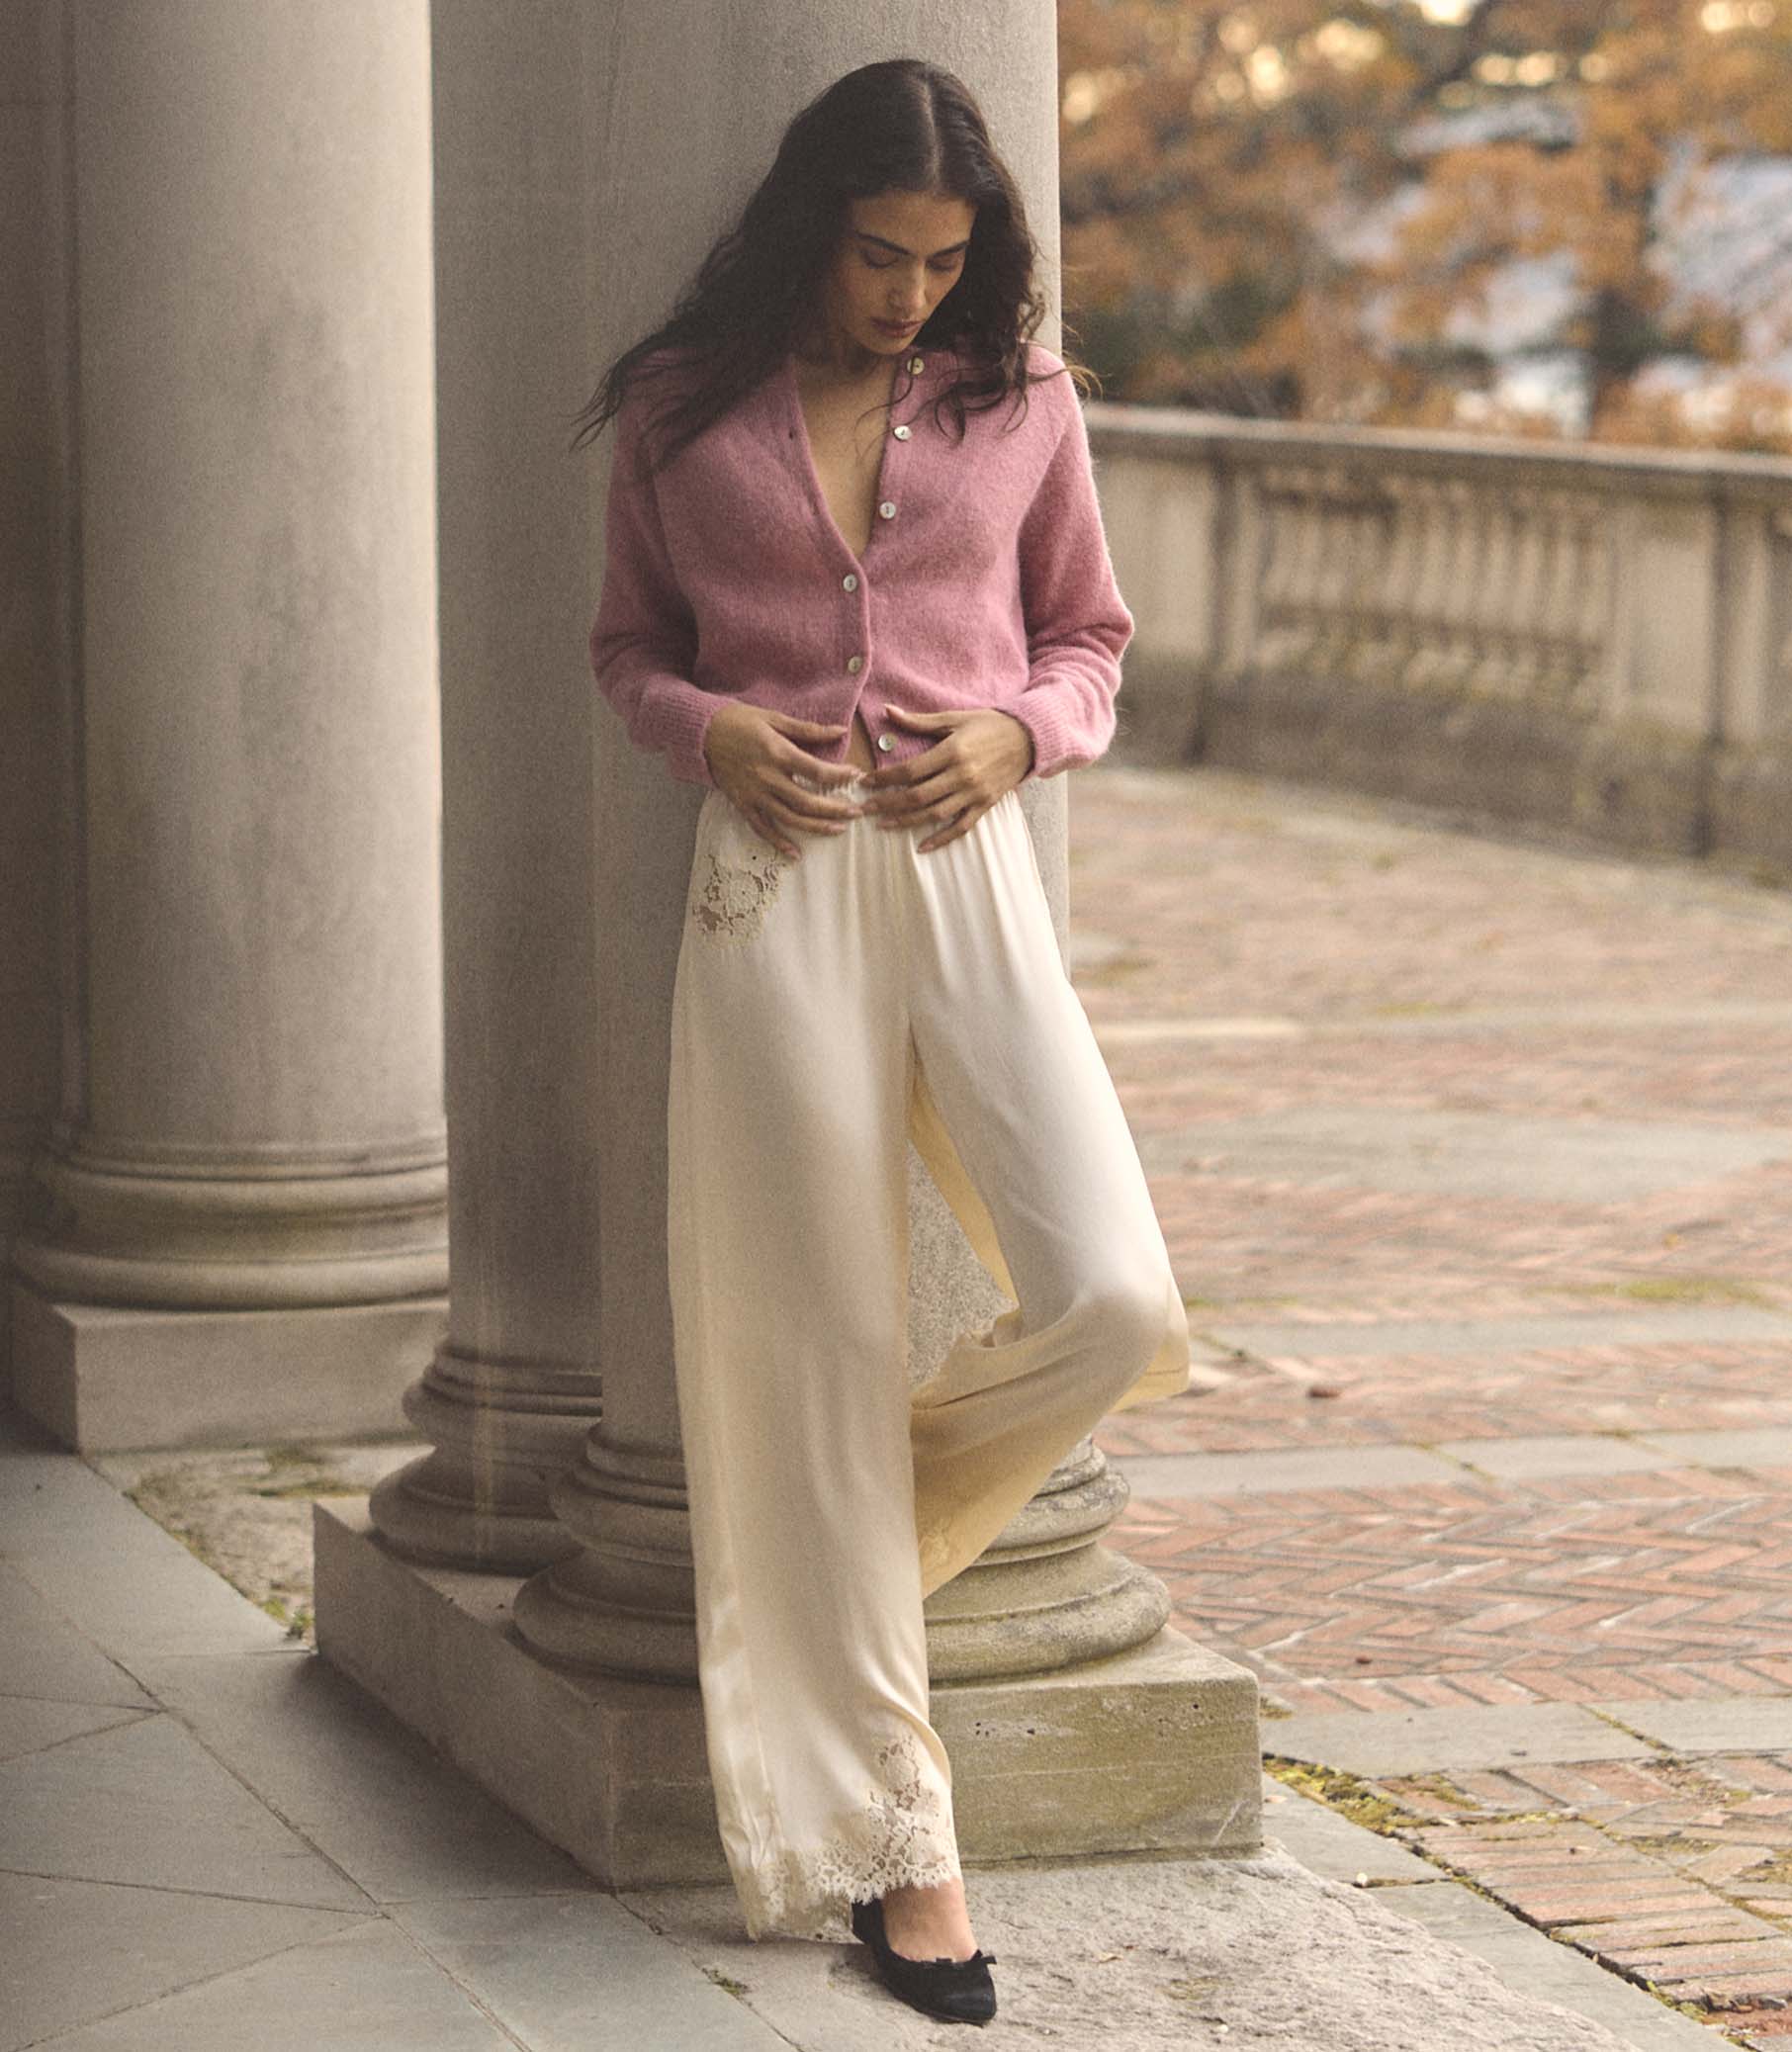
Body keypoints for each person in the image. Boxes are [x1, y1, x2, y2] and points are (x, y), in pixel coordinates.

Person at [573, 55, 1193, 2027]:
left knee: (1112, 1292)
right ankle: (904, 1858)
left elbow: (1088, 638)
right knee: (810, 1337)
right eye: (876, 253)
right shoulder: (681, 410)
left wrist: (1023, 729)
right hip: (772, 890)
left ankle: (846, 1541)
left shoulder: (1024, 409)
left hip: (968, 871)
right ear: (805, 227)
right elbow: (626, 650)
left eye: (941, 259)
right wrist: (706, 730)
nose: (910, 292)